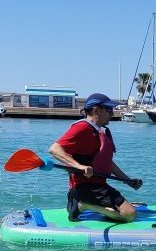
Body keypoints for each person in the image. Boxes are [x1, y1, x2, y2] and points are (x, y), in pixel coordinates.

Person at [48, 93, 143, 223]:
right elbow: (54, 149)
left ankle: (80, 203)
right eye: (108, 109)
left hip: (98, 186)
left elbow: (107, 162)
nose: (112, 113)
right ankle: (83, 205)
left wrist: (127, 180)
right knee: (129, 214)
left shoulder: (97, 131)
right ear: (96, 110)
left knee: (125, 210)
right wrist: (80, 166)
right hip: (84, 187)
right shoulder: (81, 128)